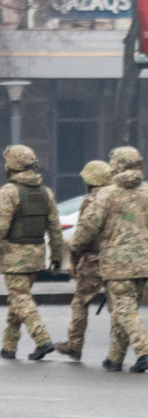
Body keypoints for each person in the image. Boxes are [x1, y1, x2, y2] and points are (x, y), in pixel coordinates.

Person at [67, 147, 148, 373]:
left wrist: (76, 247)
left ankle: (144, 352)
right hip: (144, 265)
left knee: (125, 311)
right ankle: (115, 358)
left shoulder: (107, 194)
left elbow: (88, 226)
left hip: (116, 264)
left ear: (115, 166)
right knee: (127, 309)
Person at [0, 145, 64, 362]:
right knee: (19, 300)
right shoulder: (46, 192)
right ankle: (8, 346)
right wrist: (56, 256)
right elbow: (55, 227)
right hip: (36, 255)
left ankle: (42, 340)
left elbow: (1, 227)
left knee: (20, 298)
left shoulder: (9, 192)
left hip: (14, 256)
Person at [52, 161, 112, 360]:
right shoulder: (117, 198)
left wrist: (74, 258)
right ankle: (119, 348)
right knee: (118, 306)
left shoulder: (91, 201)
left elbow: (83, 233)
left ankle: (75, 345)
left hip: (92, 260)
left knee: (80, 303)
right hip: (115, 259)